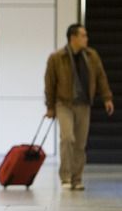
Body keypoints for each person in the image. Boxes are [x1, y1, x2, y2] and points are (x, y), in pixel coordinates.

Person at [44, 23, 114, 191]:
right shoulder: (57, 58)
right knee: (68, 138)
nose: (86, 38)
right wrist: (50, 107)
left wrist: (107, 98)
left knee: (80, 144)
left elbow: (101, 78)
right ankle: (66, 177)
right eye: (83, 35)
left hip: (84, 104)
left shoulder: (91, 56)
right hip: (64, 103)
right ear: (73, 37)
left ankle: (77, 179)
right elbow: (50, 83)